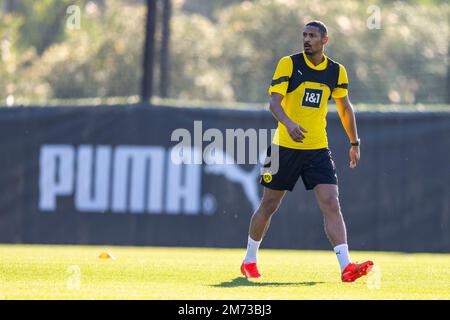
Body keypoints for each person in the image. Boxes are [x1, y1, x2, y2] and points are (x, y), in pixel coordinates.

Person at [241, 20, 373, 282]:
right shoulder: (289, 64)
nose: (306, 39)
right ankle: (249, 260)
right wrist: (288, 124)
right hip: (284, 148)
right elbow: (273, 103)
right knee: (269, 205)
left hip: (317, 150)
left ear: (325, 40)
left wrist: (354, 142)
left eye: (312, 35)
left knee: (332, 203)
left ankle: (346, 267)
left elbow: (345, 108)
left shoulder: (336, 71)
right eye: (304, 35)